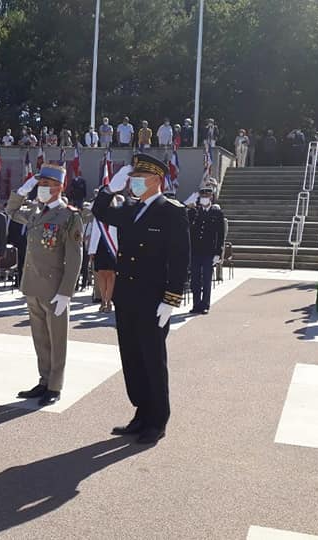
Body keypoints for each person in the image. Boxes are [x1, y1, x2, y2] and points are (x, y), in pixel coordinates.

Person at [92, 155, 190, 445]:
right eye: (131, 178)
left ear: (156, 181)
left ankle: (157, 420)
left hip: (153, 300)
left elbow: (180, 258)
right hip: (127, 297)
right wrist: (110, 188)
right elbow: (100, 211)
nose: (133, 183)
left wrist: (171, 299)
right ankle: (141, 413)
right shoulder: (130, 209)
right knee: (132, 358)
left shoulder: (171, 211)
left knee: (152, 360)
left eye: (139, 178)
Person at [7, 164, 83, 407]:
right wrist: (22, 189)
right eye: (40, 185)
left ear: (59, 188)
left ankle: (55, 385)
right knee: (40, 337)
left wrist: (66, 292)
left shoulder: (69, 216)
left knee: (57, 339)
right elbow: (11, 210)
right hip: (32, 285)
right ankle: (44, 380)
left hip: (54, 289)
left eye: (47, 185)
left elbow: (74, 257)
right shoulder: (35, 212)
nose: (41, 189)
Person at [187, 185, 224, 314]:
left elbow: (220, 234)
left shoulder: (217, 213)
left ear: (211, 197)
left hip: (209, 252)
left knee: (207, 279)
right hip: (196, 251)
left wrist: (218, 252)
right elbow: (188, 228)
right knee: (195, 280)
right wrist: (190, 210)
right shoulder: (195, 212)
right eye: (202, 196)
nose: (204, 198)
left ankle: (205, 305)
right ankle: (196, 304)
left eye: (206, 196)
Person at [88, 195, 120, 312]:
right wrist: (92, 251)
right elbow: (94, 233)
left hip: (112, 247)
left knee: (111, 275)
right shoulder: (98, 216)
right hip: (100, 246)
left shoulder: (117, 215)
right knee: (101, 274)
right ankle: (103, 301)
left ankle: (109, 301)